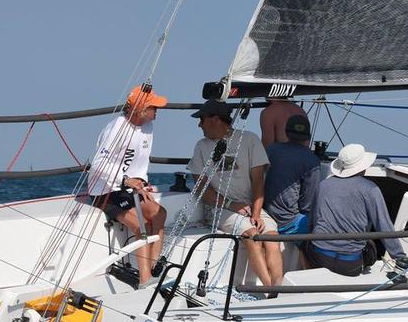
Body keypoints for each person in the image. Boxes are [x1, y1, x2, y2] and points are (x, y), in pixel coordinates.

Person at [187, 99, 283, 288]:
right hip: (220, 208)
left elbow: (258, 180)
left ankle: (278, 288)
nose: (199, 125)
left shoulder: (249, 139)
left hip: (250, 206)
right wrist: (231, 205)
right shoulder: (201, 146)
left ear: (215, 119)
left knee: (272, 237)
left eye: (202, 119)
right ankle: (269, 288)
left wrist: (256, 213)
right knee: (251, 234)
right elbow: (202, 188)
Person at [87, 85, 168, 286]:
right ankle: (144, 279)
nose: (157, 110)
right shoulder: (116, 129)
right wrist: (124, 180)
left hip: (130, 188)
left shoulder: (148, 126)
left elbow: (140, 162)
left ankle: (154, 266)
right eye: (153, 107)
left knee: (160, 213)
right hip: (106, 190)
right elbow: (97, 166)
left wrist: (141, 182)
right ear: (140, 110)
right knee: (141, 224)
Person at [306, 144, 408, 276]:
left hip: (318, 256)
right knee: (371, 244)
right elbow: (384, 226)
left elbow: (312, 221)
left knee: (305, 243)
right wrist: (400, 258)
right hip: (349, 265)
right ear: (363, 166)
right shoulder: (371, 189)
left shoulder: (323, 185)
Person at [264, 114, 320, 235]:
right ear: (308, 137)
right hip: (288, 222)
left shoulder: (270, 150)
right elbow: (308, 203)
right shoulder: (312, 160)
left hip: (264, 215)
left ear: (286, 133)